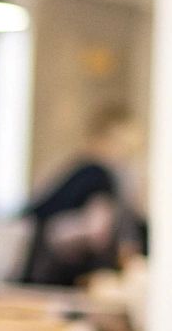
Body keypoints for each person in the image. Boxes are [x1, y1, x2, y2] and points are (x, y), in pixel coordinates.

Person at [20, 105, 145, 288]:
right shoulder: (97, 175)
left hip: (38, 263)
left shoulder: (78, 169)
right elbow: (98, 232)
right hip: (56, 274)